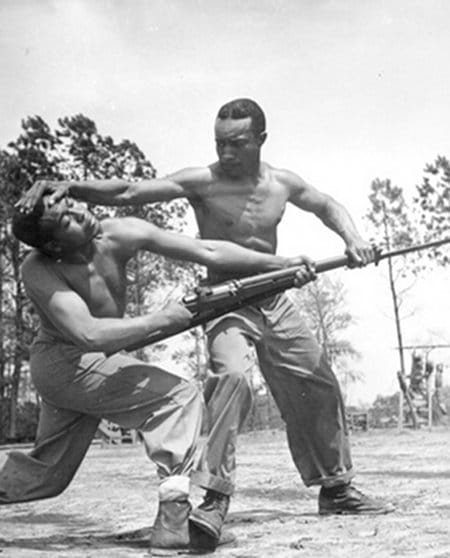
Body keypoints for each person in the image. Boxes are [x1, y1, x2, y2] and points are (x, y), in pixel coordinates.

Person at [20, 97, 394, 548]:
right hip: (227, 301)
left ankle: (336, 488)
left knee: (316, 380)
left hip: (275, 296)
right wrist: (68, 186)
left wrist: (353, 239)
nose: (226, 154)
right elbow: (128, 193)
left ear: (260, 139)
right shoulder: (202, 181)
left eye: (237, 144)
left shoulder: (282, 183)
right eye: (220, 143)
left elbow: (325, 204)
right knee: (231, 378)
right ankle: (213, 499)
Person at [3, 191, 315, 553]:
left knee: (47, 476)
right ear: (52, 245)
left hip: (93, 362)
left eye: (73, 204)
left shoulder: (119, 232)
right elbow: (87, 332)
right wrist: (162, 318)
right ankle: (173, 524)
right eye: (66, 219)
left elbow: (208, 251)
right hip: (65, 363)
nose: (81, 212)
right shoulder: (37, 268)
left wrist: (280, 263)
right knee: (178, 399)